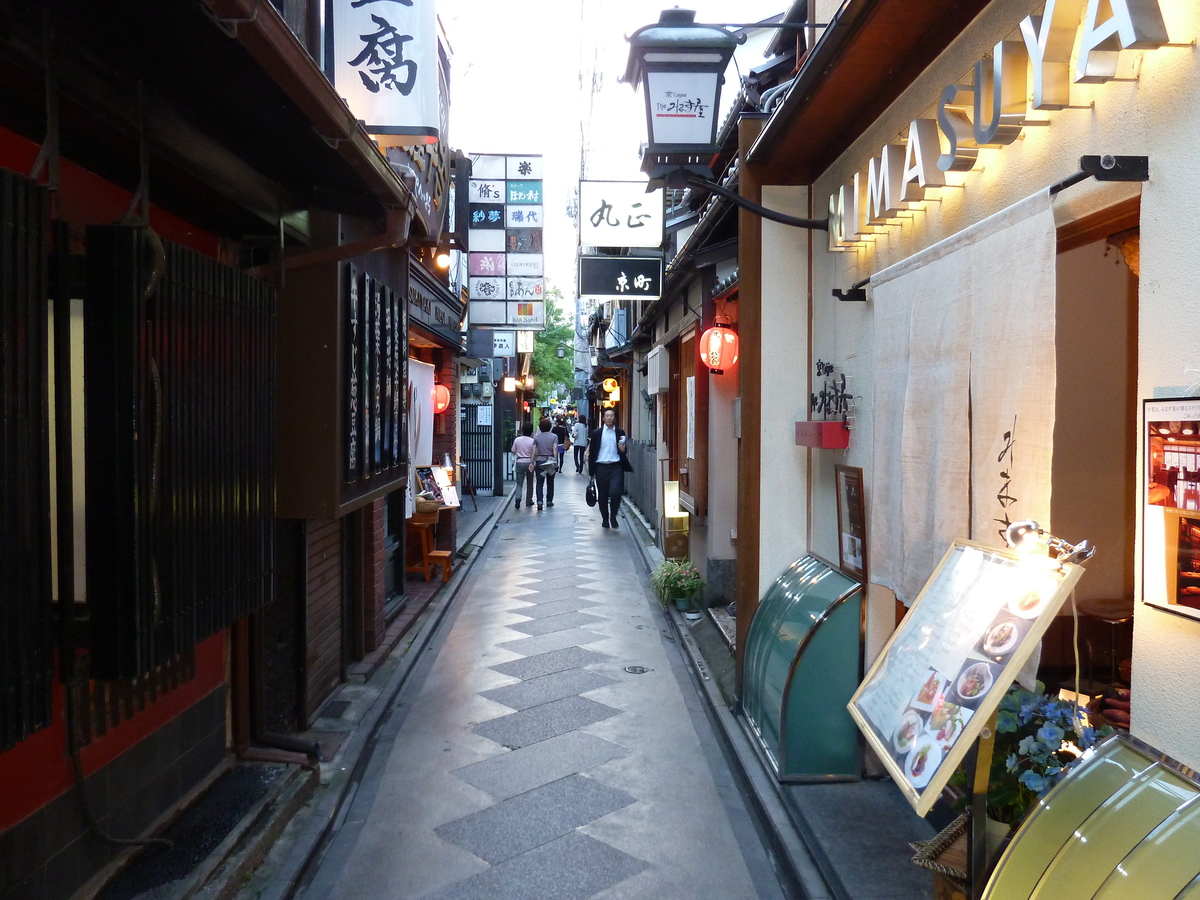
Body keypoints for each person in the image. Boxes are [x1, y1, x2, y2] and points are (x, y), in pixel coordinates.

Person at [587, 408, 633, 529]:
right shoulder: (597, 433)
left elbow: (623, 449)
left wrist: (623, 450)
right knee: (602, 495)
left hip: (616, 466)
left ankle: (613, 516)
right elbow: (592, 452)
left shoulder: (620, 432)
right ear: (603, 418)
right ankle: (605, 518)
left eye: (611, 416)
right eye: (607, 416)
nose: (609, 418)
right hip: (601, 466)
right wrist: (591, 472)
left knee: (615, 492)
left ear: (614, 418)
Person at [532, 417, 559, 510]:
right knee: (550, 482)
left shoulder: (536, 438)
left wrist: (532, 461)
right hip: (550, 460)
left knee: (539, 482)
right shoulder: (554, 437)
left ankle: (539, 501)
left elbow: (534, 451)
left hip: (540, 461)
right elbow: (555, 448)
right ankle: (549, 501)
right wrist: (555, 460)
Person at [511, 421, 535, 510]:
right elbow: (535, 452)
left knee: (519, 483)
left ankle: (518, 498)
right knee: (530, 483)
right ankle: (529, 500)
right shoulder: (533, 441)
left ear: (522, 430)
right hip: (529, 463)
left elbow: (513, 450)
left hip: (519, 462)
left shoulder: (517, 440)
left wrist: (519, 452)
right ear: (531, 431)